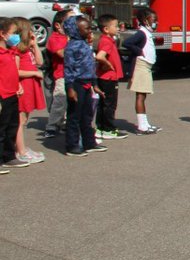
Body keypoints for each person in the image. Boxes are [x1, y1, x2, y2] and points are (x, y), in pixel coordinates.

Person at [63, 15, 106, 158]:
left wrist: (95, 84)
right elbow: (68, 69)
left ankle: (89, 142)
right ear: (76, 30)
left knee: (87, 115)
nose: (89, 30)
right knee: (75, 115)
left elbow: (90, 67)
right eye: (86, 28)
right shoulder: (71, 47)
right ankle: (72, 145)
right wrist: (70, 88)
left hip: (88, 82)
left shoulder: (84, 44)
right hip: (77, 84)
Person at [123, 8, 161, 135]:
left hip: (146, 67)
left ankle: (145, 124)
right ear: (145, 20)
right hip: (141, 66)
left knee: (143, 95)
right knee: (140, 96)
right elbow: (127, 42)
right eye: (154, 20)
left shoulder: (147, 33)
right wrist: (139, 51)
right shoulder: (141, 33)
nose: (156, 23)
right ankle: (142, 126)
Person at [14, 19, 46, 164]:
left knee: (24, 118)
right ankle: (20, 151)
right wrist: (33, 74)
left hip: (31, 85)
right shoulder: (17, 50)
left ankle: (21, 148)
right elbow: (15, 71)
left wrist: (35, 45)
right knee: (20, 120)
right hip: (23, 85)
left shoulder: (28, 48)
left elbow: (39, 62)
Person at [93, 14, 126, 140]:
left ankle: (101, 128)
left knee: (103, 103)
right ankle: (108, 128)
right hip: (109, 78)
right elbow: (100, 56)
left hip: (105, 77)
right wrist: (108, 64)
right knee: (110, 104)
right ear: (106, 29)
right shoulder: (107, 41)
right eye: (115, 26)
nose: (117, 28)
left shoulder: (106, 40)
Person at [0, 18, 24, 171]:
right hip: (2, 95)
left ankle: (8, 156)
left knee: (12, 126)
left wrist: (18, 84)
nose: (16, 36)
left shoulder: (10, 51)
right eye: (14, 33)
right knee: (1, 128)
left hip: (12, 94)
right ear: (2, 34)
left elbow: (13, 72)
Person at [41, 10, 69, 139]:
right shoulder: (55, 38)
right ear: (58, 25)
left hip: (74, 74)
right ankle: (51, 126)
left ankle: (65, 123)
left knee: (72, 101)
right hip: (61, 74)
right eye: (70, 20)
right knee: (60, 100)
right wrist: (71, 39)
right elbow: (61, 54)